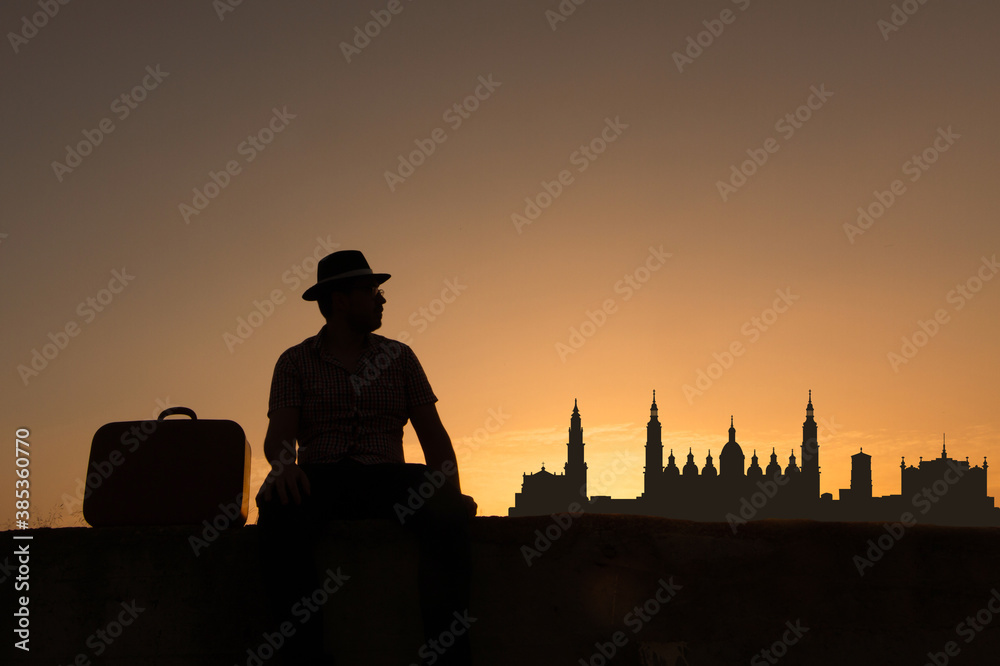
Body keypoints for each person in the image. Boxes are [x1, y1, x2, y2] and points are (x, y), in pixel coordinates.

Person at [255, 250, 476, 666]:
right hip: (319, 479)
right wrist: (283, 467)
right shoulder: (294, 362)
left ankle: (448, 656)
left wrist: (453, 494)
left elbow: (435, 438)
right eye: (372, 291)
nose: (382, 299)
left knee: (447, 510)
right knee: (275, 509)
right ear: (340, 299)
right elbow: (279, 435)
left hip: (387, 477)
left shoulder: (400, 357)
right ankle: (301, 656)